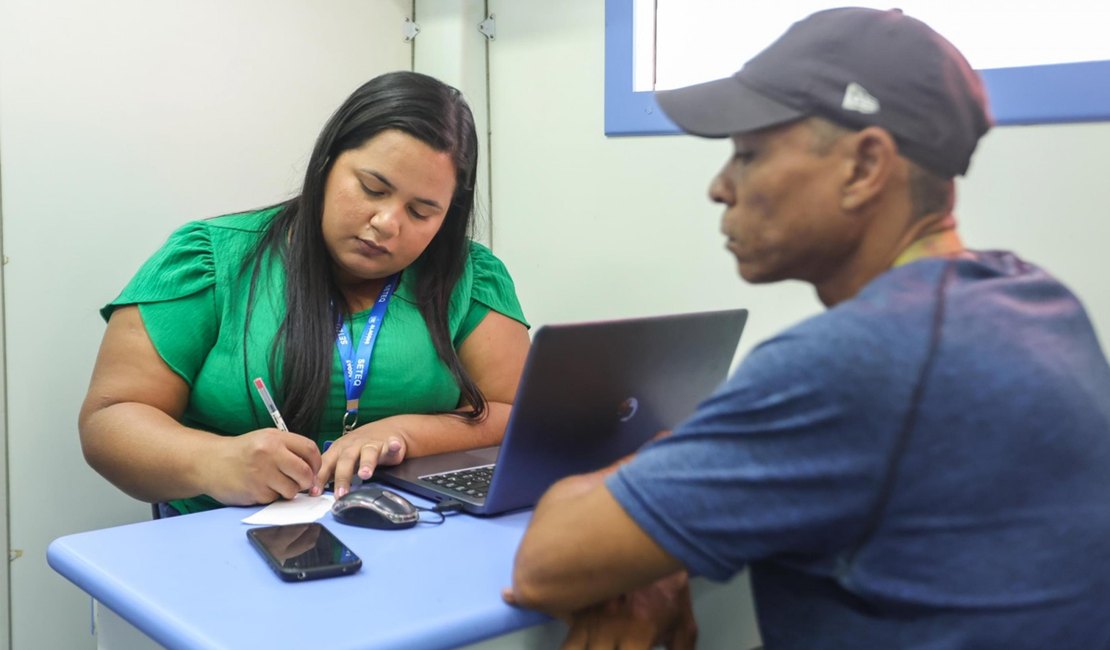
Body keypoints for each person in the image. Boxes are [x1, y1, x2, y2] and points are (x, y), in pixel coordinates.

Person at [505, 7, 1110, 649]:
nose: (720, 187)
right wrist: (672, 529)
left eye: (749, 153)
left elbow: (547, 563)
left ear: (863, 168)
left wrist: (656, 511)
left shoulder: (861, 360)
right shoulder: (1039, 303)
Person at [79, 71, 531, 516]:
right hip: (217, 540)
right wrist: (212, 461)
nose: (387, 223)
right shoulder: (211, 259)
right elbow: (110, 420)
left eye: (421, 212)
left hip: (413, 534)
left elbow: (517, 412)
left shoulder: (470, 276)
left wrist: (406, 433)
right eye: (372, 188)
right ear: (326, 161)